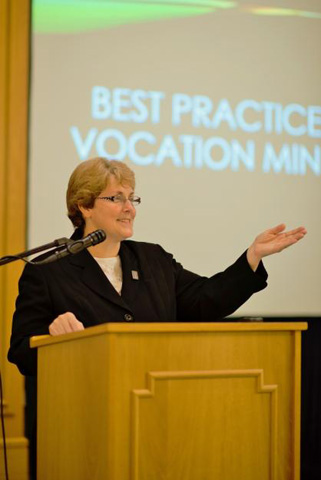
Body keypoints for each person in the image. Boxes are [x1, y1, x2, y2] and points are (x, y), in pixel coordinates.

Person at [7, 157, 306, 478]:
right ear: (84, 207)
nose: (129, 208)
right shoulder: (48, 271)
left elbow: (205, 300)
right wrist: (52, 341)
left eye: (132, 198)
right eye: (116, 198)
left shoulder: (154, 259)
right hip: (83, 428)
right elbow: (21, 350)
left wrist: (253, 257)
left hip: (156, 419)